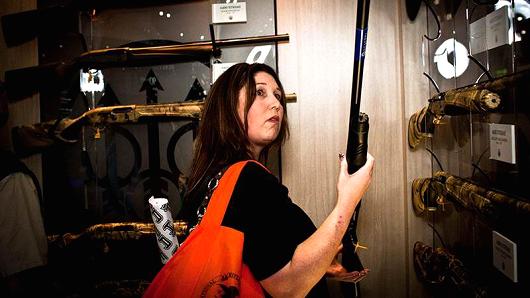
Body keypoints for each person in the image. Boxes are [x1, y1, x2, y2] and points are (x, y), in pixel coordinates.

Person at [180, 63, 374, 297]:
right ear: (228, 105)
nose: (276, 104)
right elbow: (287, 288)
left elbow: (261, 262)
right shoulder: (250, 179)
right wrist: (349, 198)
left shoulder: (210, 180)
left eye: (278, 96)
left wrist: (318, 263)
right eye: (259, 92)